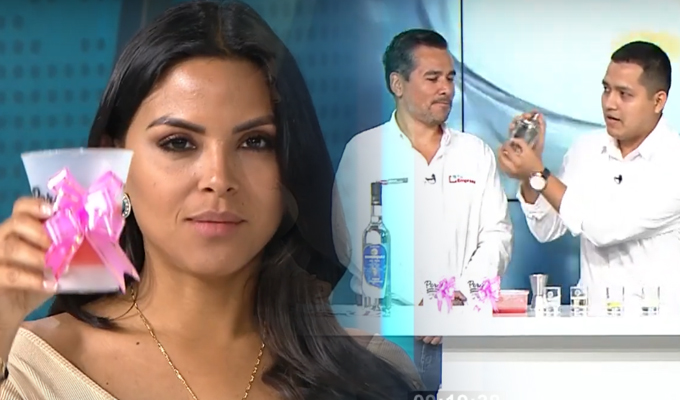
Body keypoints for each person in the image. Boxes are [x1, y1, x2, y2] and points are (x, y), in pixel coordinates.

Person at [0, 2, 422, 399]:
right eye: (178, 142)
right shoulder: (29, 369)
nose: (219, 179)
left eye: (254, 142)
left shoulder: (370, 368)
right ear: (115, 166)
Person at [333, 28, 513, 392]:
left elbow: (498, 235)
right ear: (397, 83)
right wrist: (420, 302)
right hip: (386, 334)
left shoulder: (474, 153)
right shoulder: (365, 151)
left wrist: (455, 300)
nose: (446, 89)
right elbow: (352, 244)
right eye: (432, 78)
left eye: (450, 78)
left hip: (462, 327)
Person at [498, 41, 680, 309]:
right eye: (606, 89)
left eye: (624, 94)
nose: (610, 103)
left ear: (658, 101)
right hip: (591, 321)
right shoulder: (585, 149)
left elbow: (604, 228)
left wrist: (538, 172)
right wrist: (529, 174)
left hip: (655, 324)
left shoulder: (673, 161)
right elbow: (546, 228)